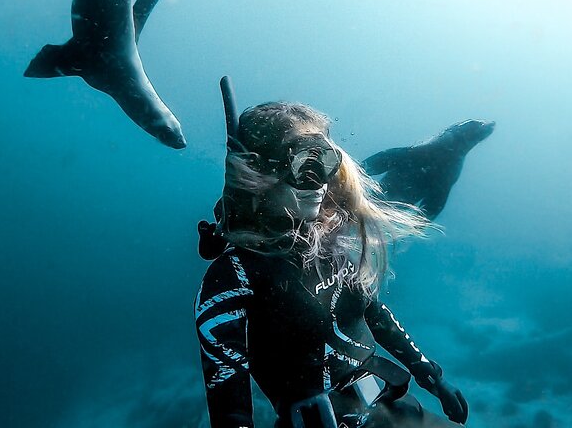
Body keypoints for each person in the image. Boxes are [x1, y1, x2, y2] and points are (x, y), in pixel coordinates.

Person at [194, 101, 469, 428]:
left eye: (327, 161)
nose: (320, 181)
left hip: (394, 409)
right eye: (305, 163)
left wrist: (430, 375)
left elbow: (370, 311)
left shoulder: (327, 240)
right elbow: (230, 404)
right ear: (257, 171)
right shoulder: (233, 277)